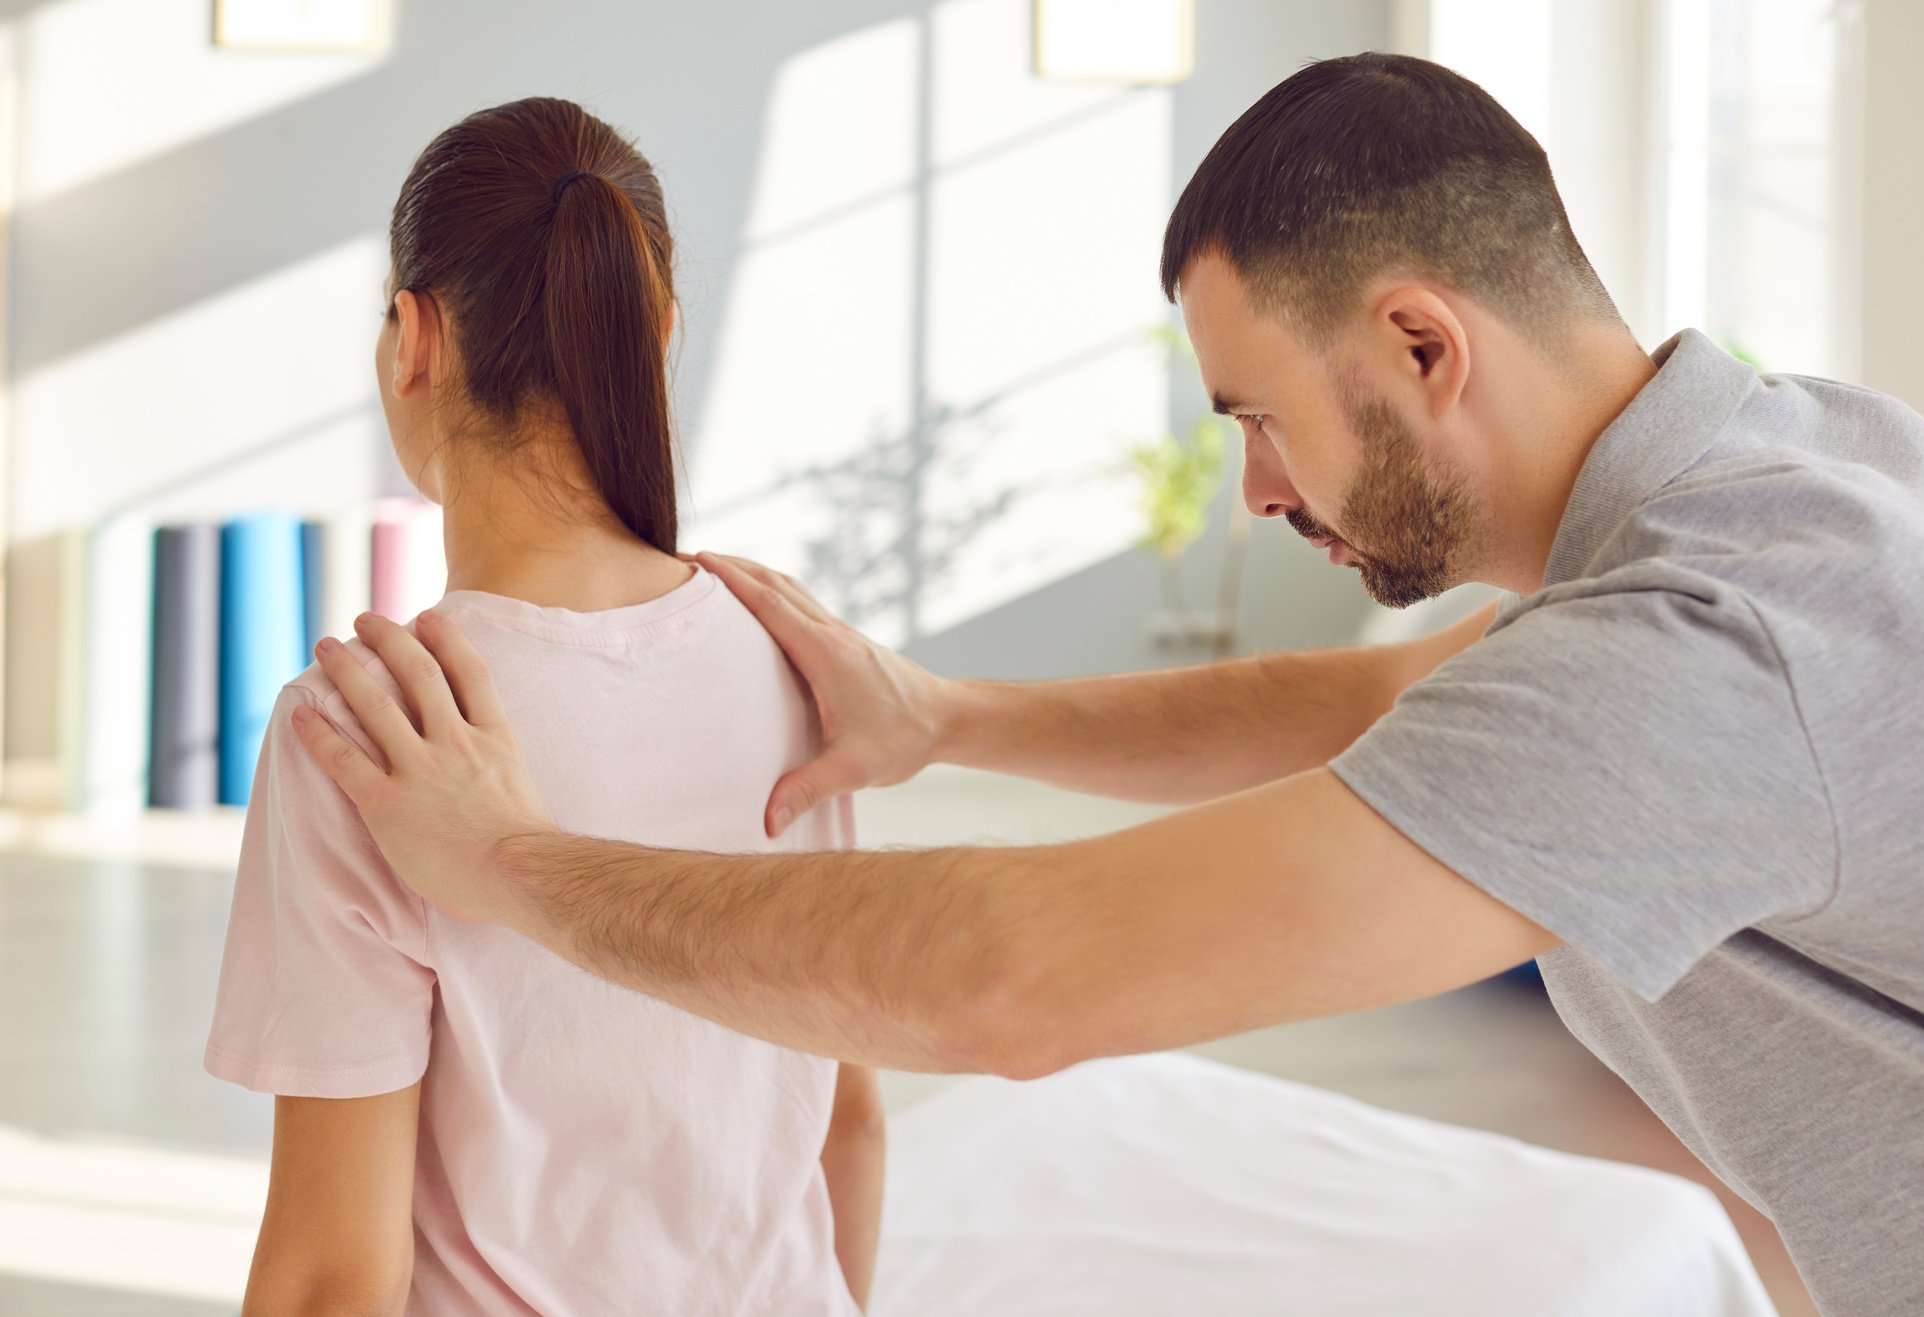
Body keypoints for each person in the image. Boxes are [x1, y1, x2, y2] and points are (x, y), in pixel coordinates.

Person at [293, 56, 1924, 1315]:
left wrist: (501, 861)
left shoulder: (1704, 655)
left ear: (1420, 345)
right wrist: (945, 719)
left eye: (1256, 415)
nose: (1255, 492)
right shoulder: (1780, 472)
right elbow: (1384, 707)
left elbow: (1011, 978)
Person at [204, 97, 883, 1315]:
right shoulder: (799, 658)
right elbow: (849, 1130)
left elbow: (331, 1278)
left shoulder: (370, 731)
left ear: (412, 338)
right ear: (658, 328)